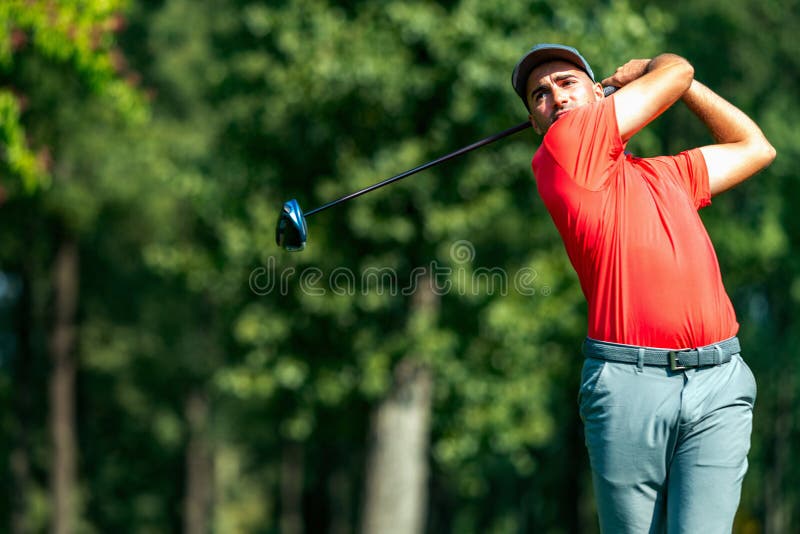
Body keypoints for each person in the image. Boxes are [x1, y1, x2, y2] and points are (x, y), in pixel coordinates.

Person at [510, 44, 776, 533]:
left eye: (566, 83)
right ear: (536, 123)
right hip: (629, 384)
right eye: (539, 96)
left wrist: (688, 87)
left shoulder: (665, 174)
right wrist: (651, 68)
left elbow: (755, 148)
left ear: (597, 92)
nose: (555, 97)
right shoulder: (561, 148)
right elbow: (677, 70)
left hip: (719, 380)